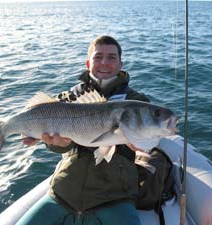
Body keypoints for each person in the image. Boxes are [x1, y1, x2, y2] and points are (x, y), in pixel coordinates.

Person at [17, 35, 151, 225]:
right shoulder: (65, 99)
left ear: (121, 64)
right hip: (63, 193)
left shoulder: (138, 103)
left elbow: (147, 142)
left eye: (112, 57)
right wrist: (56, 144)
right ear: (88, 63)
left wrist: (140, 144)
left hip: (114, 198)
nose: (104, 62)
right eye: (98, 57)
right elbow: (58, 145)